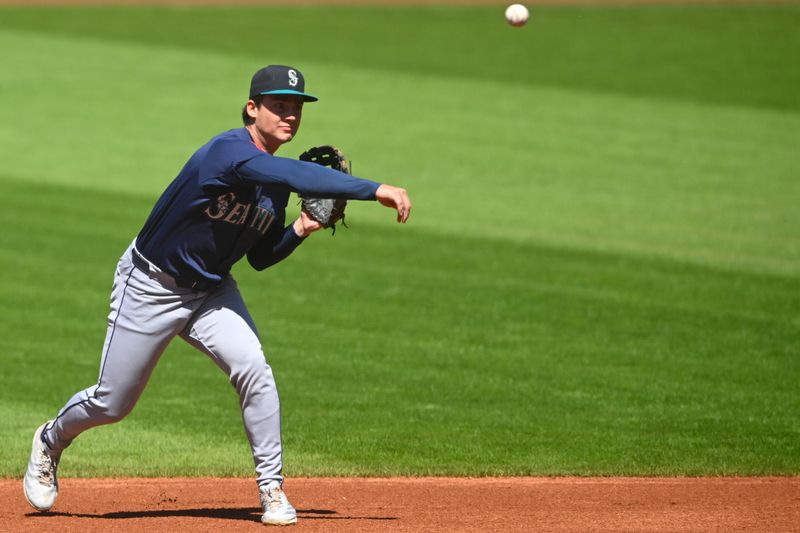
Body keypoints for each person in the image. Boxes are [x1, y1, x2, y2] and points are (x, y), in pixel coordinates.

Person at [23, 64, 411, 526]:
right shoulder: (228, 152)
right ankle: (50, 439)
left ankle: (272, 490)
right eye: (279, 105)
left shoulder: (276, 184)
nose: (290, 115)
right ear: (253, 108)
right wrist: (376, 190)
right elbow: (289, 172)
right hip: (151, 284)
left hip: (210, 290)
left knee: (255, 371)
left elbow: (261, 256)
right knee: (113, 402)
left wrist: (302, 228)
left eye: (297, 108)